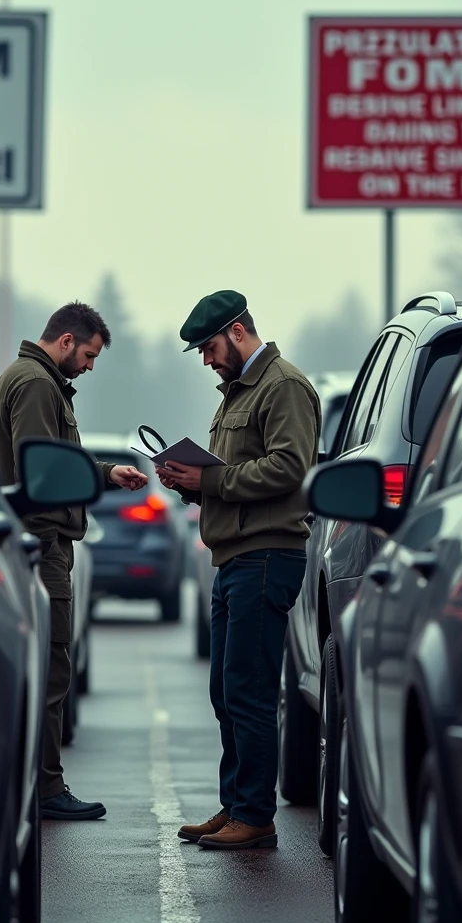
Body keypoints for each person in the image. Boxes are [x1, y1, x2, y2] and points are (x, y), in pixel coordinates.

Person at [157, 290, 320, 849]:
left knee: (249, 691)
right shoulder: (236, 395)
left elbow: (289, 468)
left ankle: (255, 815)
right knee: (226, 692)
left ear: (237, 331)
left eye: (208, 347)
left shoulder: (284, 387)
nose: (206, 359)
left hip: (267, 554)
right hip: (233, 555)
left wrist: (208, 481)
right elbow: (230, 475)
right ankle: (236, 807)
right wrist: (187, 483)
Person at [0, 302, 148, 820]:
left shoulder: (30, 377)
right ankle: (45, 790)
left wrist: (105, 473)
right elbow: (42, 471)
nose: (90, 366)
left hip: (35, 539)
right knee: (51, 670)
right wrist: (44, 544)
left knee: (44, 669)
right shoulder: (35, 384)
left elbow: (51, 460)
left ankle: (34, 785)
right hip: (41, 544)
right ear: (66, 341)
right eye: (89, 355)